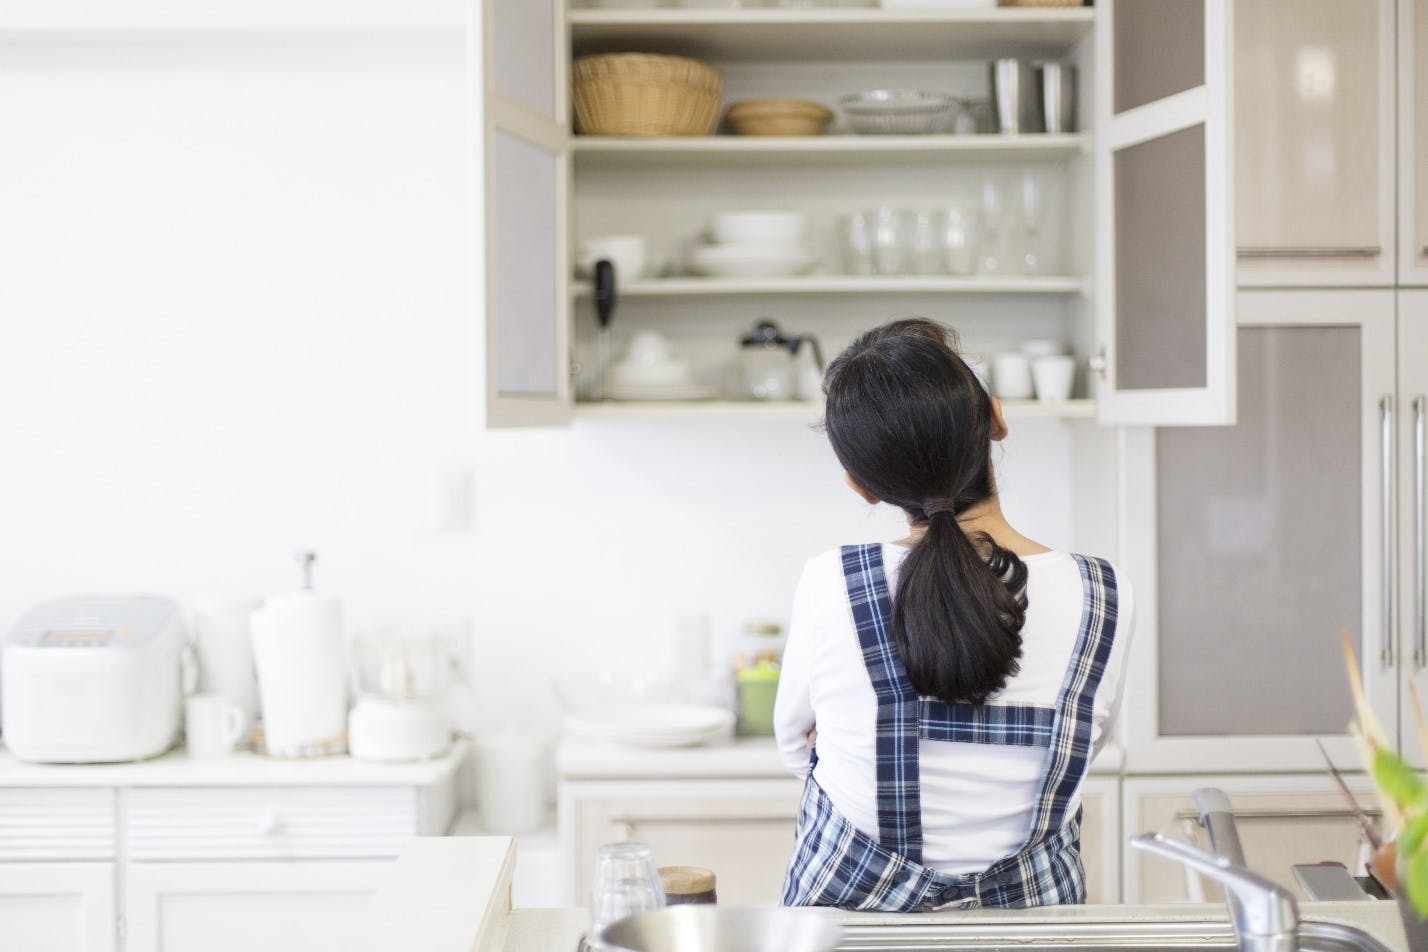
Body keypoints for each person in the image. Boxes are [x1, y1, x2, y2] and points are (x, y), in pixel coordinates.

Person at [774, 318, 1134, 912]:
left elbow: (798, 747)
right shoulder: (1103, 591)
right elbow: (1085, 741)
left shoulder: (831, 582)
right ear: (996, 418)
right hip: (1034, 929)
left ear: (861, 486)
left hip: (852, 927)